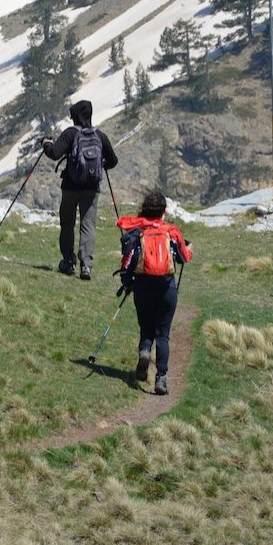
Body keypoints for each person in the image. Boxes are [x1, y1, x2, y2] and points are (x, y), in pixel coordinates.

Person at [116, 191, 193, 396]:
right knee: (163, 334)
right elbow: (184, 258)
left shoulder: (138, 232)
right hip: (167, 288)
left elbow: (128, 262)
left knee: (146, 327)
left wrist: (127, 283)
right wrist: (189, 248)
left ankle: (144, 352)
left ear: (144, 209)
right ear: (163, 211)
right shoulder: (172, 232)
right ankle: (161, 378)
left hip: (143, 287)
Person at [41, 99, 118, 279]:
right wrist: (100, 165)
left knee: (67, 223)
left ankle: (68, 262)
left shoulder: (70, 134)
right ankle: (86, 266)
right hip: (91, 189)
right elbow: (113, 161)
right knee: (88, 225)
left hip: (70, 187)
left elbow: (54, 153)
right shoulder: (99, 136)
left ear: (75, 115)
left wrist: (46, 143)